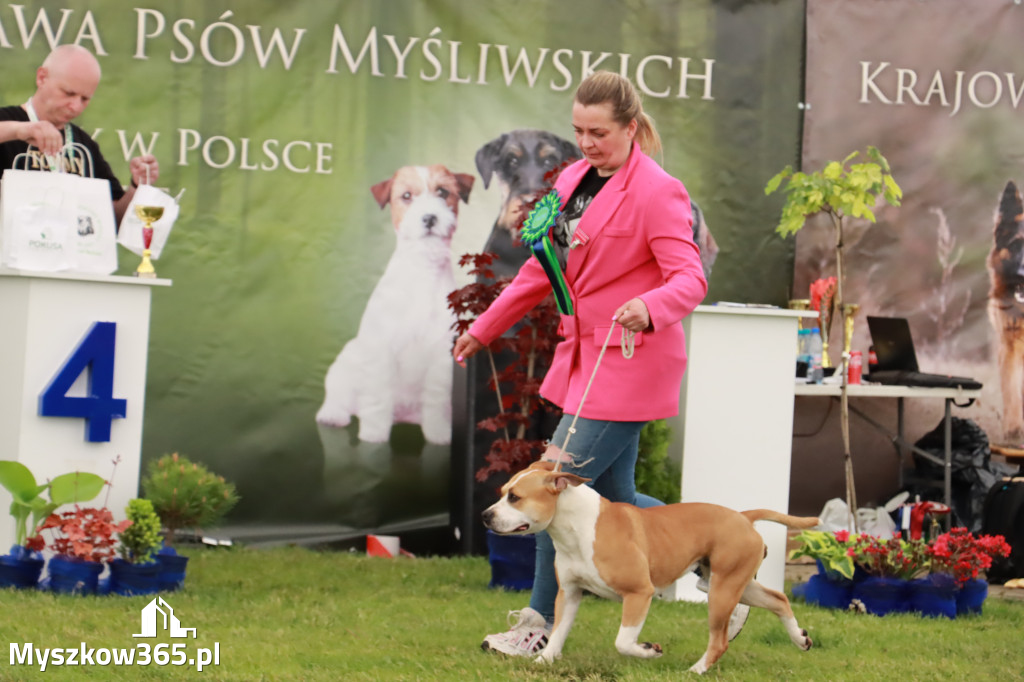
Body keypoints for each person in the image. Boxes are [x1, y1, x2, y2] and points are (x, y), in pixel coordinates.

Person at [452, 70, 708, 656]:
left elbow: (689, 278)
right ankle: (718, 559)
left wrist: (651, 304)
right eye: (579, 131)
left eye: (599, 132)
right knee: (616, 502)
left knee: (555, 490)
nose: (587, 142)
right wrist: (486, 327)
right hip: (584, 360)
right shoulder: (571, 179)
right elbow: (542, 269)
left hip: (630, 360)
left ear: (632, 128)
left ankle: (535, 627)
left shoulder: (659, 190)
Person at [0, 44, 159, 226]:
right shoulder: (7, 121)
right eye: (68, 93)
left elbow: (112, 219)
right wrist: (20, 130)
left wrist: (136, 186)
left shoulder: (84, 145)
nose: (76, 106)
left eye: (84, 99)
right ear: (42, 78)